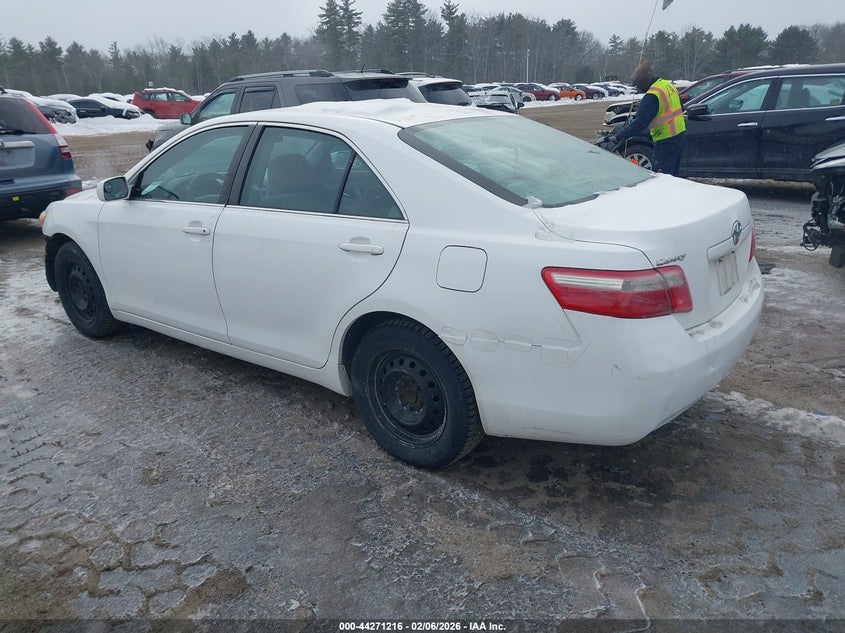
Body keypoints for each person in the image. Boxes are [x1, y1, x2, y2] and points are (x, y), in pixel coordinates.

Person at [612, 61, 686, 176]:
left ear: (643, 83)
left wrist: (621, 135)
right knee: (673, 174)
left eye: (638, 85)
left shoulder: (652, 96)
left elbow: (640, 124)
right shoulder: (667, 85)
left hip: (665, 139)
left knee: (662, 176)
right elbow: (680, 107)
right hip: (679, 134)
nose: (638, 88)